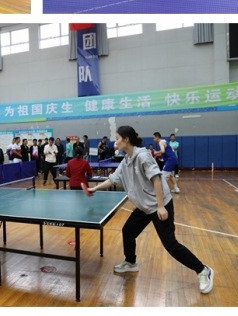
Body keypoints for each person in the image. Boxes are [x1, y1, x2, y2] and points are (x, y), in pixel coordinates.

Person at [88, 125, 214, 294]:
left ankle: (203, 270)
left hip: (159, 204)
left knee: (170, 243)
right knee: (128, 231)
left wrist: (161, 206)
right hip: (144, 206)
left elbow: (156, 179)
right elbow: (113, 179)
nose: (115, 142)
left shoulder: (143, 156)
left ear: (126, 139)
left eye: (117, 138)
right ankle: (130, 262)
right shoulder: (126, 161)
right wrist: (95, 189)